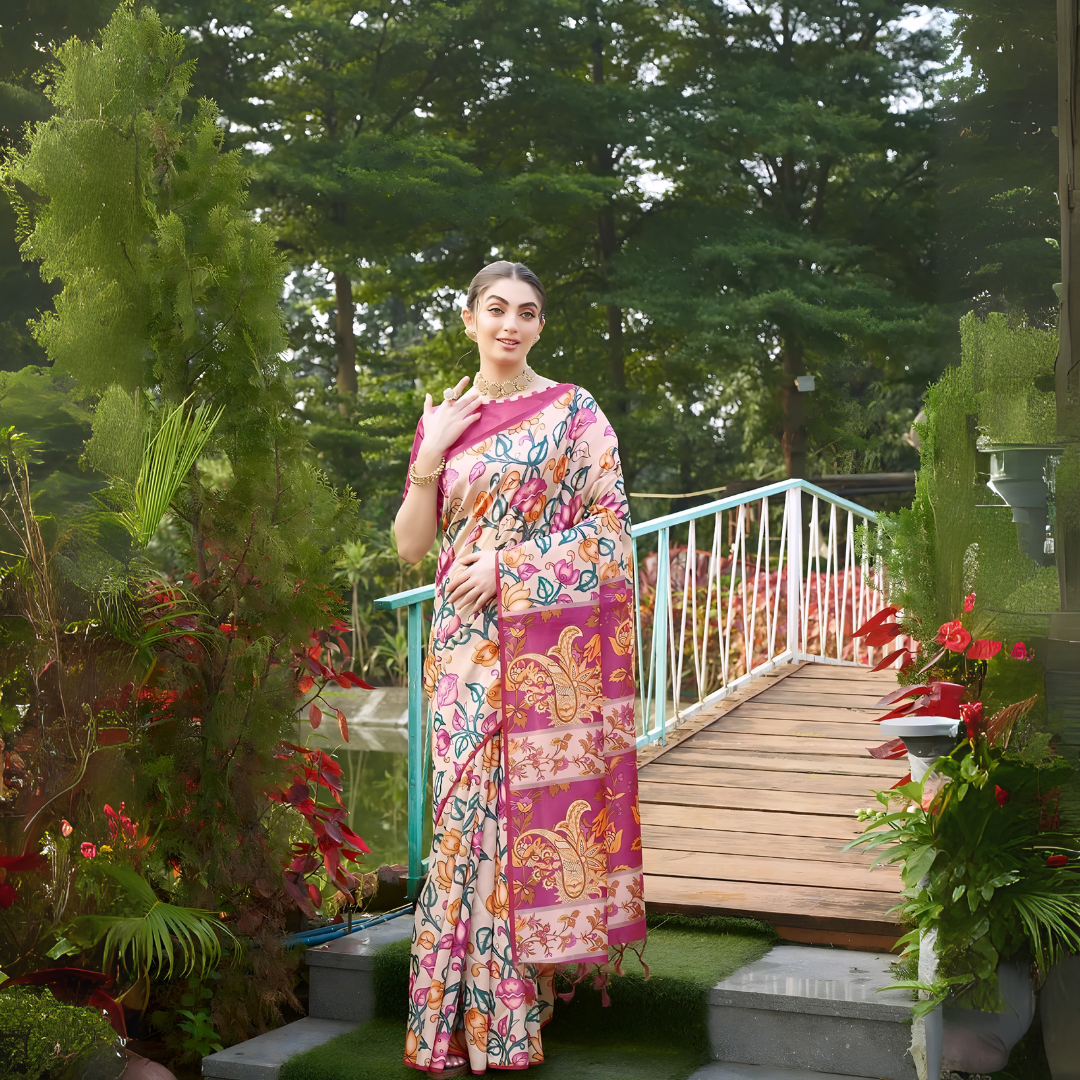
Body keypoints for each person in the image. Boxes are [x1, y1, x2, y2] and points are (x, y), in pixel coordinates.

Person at [394, 261, 646, 1076]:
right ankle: (446, 1021)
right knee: (464, 821)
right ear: (468, 319)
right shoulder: (446, 419)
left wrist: (512, 565)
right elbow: (409, 545)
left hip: (539, 649)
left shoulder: (575, 414)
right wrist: (430, 451)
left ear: (541, 325)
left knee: (515, 822)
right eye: (496, 309)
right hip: (462, 651)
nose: (511, 324)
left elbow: (612, 536)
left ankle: (505, 1022)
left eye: (527, 312)